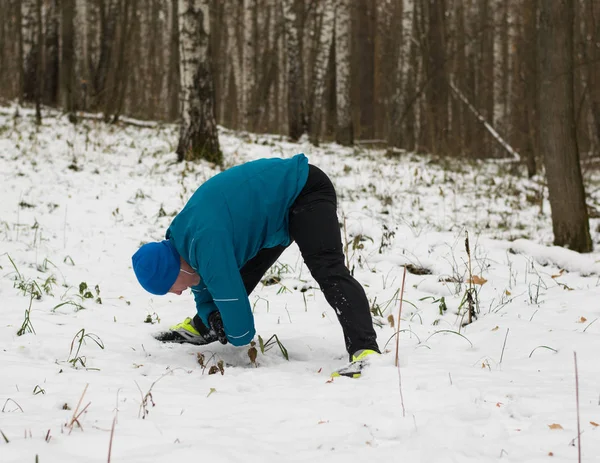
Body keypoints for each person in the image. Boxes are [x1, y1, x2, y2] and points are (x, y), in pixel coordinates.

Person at [132, 153, 379, 368]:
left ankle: (365, 349)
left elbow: (241, 332)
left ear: (173, 269)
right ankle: (204, 326)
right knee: (234, 277)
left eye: (169, 287)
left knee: (327, 268)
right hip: (275, 212)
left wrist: (229, 326)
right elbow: (203, 282)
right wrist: (213, 317)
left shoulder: (206, 241)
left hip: (304, 189)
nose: (175, 294)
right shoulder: (183, 242)